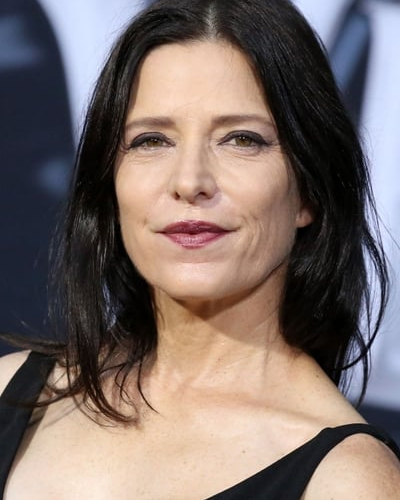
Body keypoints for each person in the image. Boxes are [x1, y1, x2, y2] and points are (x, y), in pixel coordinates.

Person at [1, 0, 399, 498]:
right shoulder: (10, 393)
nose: (190, 181)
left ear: (309, 192)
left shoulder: (349, 481)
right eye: (151, 140)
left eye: (241, 139)